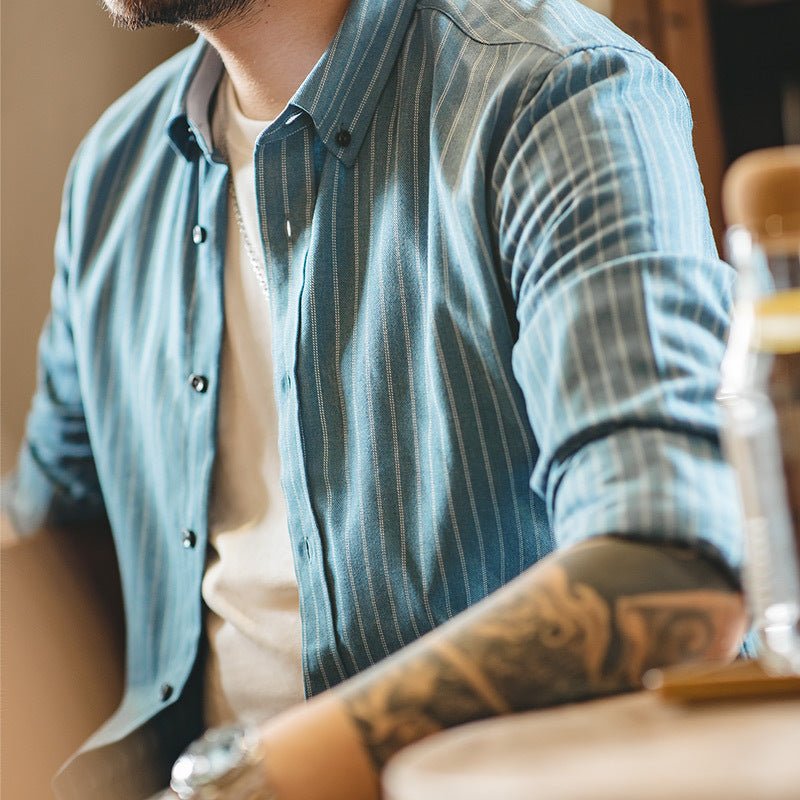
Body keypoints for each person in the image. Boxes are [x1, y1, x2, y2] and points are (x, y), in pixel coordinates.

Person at [3, 0, 747, 797]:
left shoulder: (557, 92)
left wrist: (248, 784)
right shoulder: (116, 170)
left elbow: (672, 570)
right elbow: (57, 559)